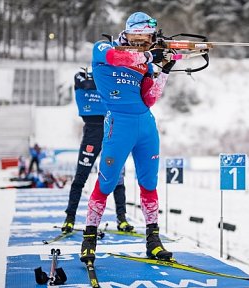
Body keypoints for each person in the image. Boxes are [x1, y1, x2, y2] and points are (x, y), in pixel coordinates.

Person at [80, 11, 175, 264]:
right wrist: (147, 55)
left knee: (149, 182)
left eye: (148, 38)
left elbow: (149, 98)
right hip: (118, 124)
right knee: (107, 182)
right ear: (128, 33)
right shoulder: (103, 47)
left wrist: (164, 71)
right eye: (140, 36)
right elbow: (116, 57)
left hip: (145, 125)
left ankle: (153, 241)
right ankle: (89, 238)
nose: (144, 41)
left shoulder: (145, 62)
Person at [61, 70, 134, 234]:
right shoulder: (82, 75)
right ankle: (69, 218)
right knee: (81, 176)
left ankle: (121, 218)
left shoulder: (109, 77)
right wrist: (102, 79)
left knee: (117, 177)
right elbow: (84, 83)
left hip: (111, 131)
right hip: (92, 134)